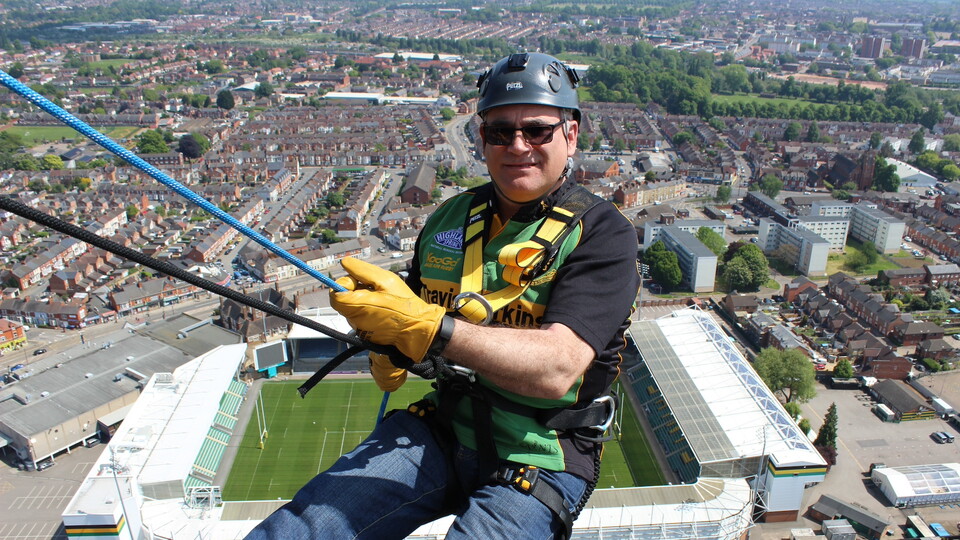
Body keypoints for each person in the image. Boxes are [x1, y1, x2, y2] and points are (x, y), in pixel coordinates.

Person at [247, 52, 640, 540]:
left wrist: (430, 329)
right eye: (499, 131)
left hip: (542, 451)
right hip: (445, 427)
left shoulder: (603, 234)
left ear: (571, 134)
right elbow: (412, 313)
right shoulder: (447, 220)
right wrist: (384, 339)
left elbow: (557, 366)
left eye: (537, 130)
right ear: (481, 138)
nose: (518, 145)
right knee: (299, 530)